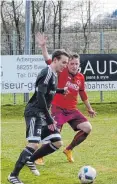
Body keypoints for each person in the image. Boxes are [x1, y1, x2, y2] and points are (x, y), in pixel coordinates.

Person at [8, 50, 70, 184]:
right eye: (63, 62)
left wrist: (60, 91)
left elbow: (49, 91)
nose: (65, 65)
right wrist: (49, 119)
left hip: (42, 113)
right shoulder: (46, 73)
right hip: (34, 112)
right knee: (33, 144)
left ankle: (31, 160)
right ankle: (13, 175)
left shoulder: (54, 74)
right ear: (55, 60)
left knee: (57, 142)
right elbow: (40, 97)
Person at [35, 32, 96, 165]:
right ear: (67, 65)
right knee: (54, 134)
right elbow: (47, 59)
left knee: (87, 128)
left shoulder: (81, 77)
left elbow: (82, 93)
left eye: (76, 63)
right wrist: (43, 46)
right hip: (58, 108)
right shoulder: (61, 72)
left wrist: (89, 109)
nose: (74, 66)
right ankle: (40, 155)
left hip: (72, 110)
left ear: (79, 64)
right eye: (71, 63)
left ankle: (69, 150)